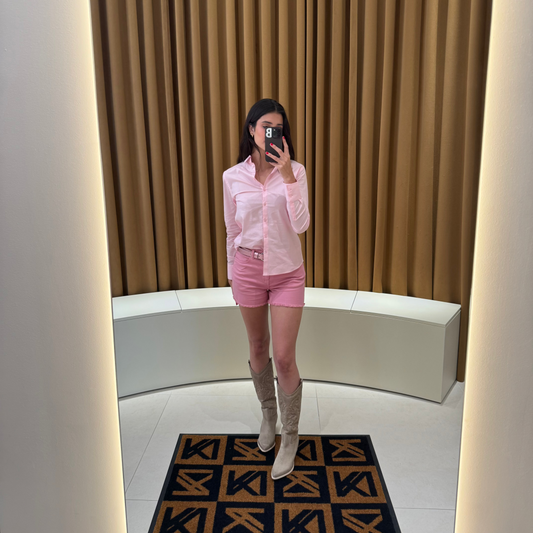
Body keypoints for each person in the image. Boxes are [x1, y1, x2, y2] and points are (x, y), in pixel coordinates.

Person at [223, 98, 310, 480]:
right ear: (252, 130)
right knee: (258, 346)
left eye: (278, 128)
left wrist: (288, 177)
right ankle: (268, 415)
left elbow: (302, 224)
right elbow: (232, 229)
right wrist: (232, 274)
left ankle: (290, 436)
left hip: (287, 272)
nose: (272, 133)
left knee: (285, 357)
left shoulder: (296, 171)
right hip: (247, 270)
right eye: (265, 127)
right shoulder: (232, 177)